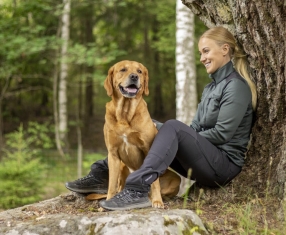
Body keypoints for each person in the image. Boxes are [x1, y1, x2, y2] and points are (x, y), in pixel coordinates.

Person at [65, 26, 257, 210]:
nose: (202, 58)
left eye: (206, 51)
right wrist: (162, 131)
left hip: (223, 167)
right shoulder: (211, 88)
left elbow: (222, 134)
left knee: (170, 127)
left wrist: (172, 134)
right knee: (150, 129)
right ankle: (101, 174)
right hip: (204, 159)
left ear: (225, 50)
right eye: (200, 53)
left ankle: (137, 190)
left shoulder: (236, 87)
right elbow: (195, 128)